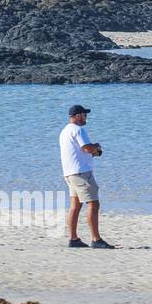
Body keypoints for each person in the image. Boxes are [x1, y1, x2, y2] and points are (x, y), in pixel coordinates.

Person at [59, 104, 112, 249]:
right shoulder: (78, 130)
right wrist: (97, 147)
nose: (86, 117)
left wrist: (94, 150)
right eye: (84, 115)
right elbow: (86, 148)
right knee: (93, 204)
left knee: (75, 206)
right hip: (81, 173)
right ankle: (96, 239)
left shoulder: (64, 131)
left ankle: (73, 239)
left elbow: (82, 151)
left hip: (69, 173)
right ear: (77, 116)